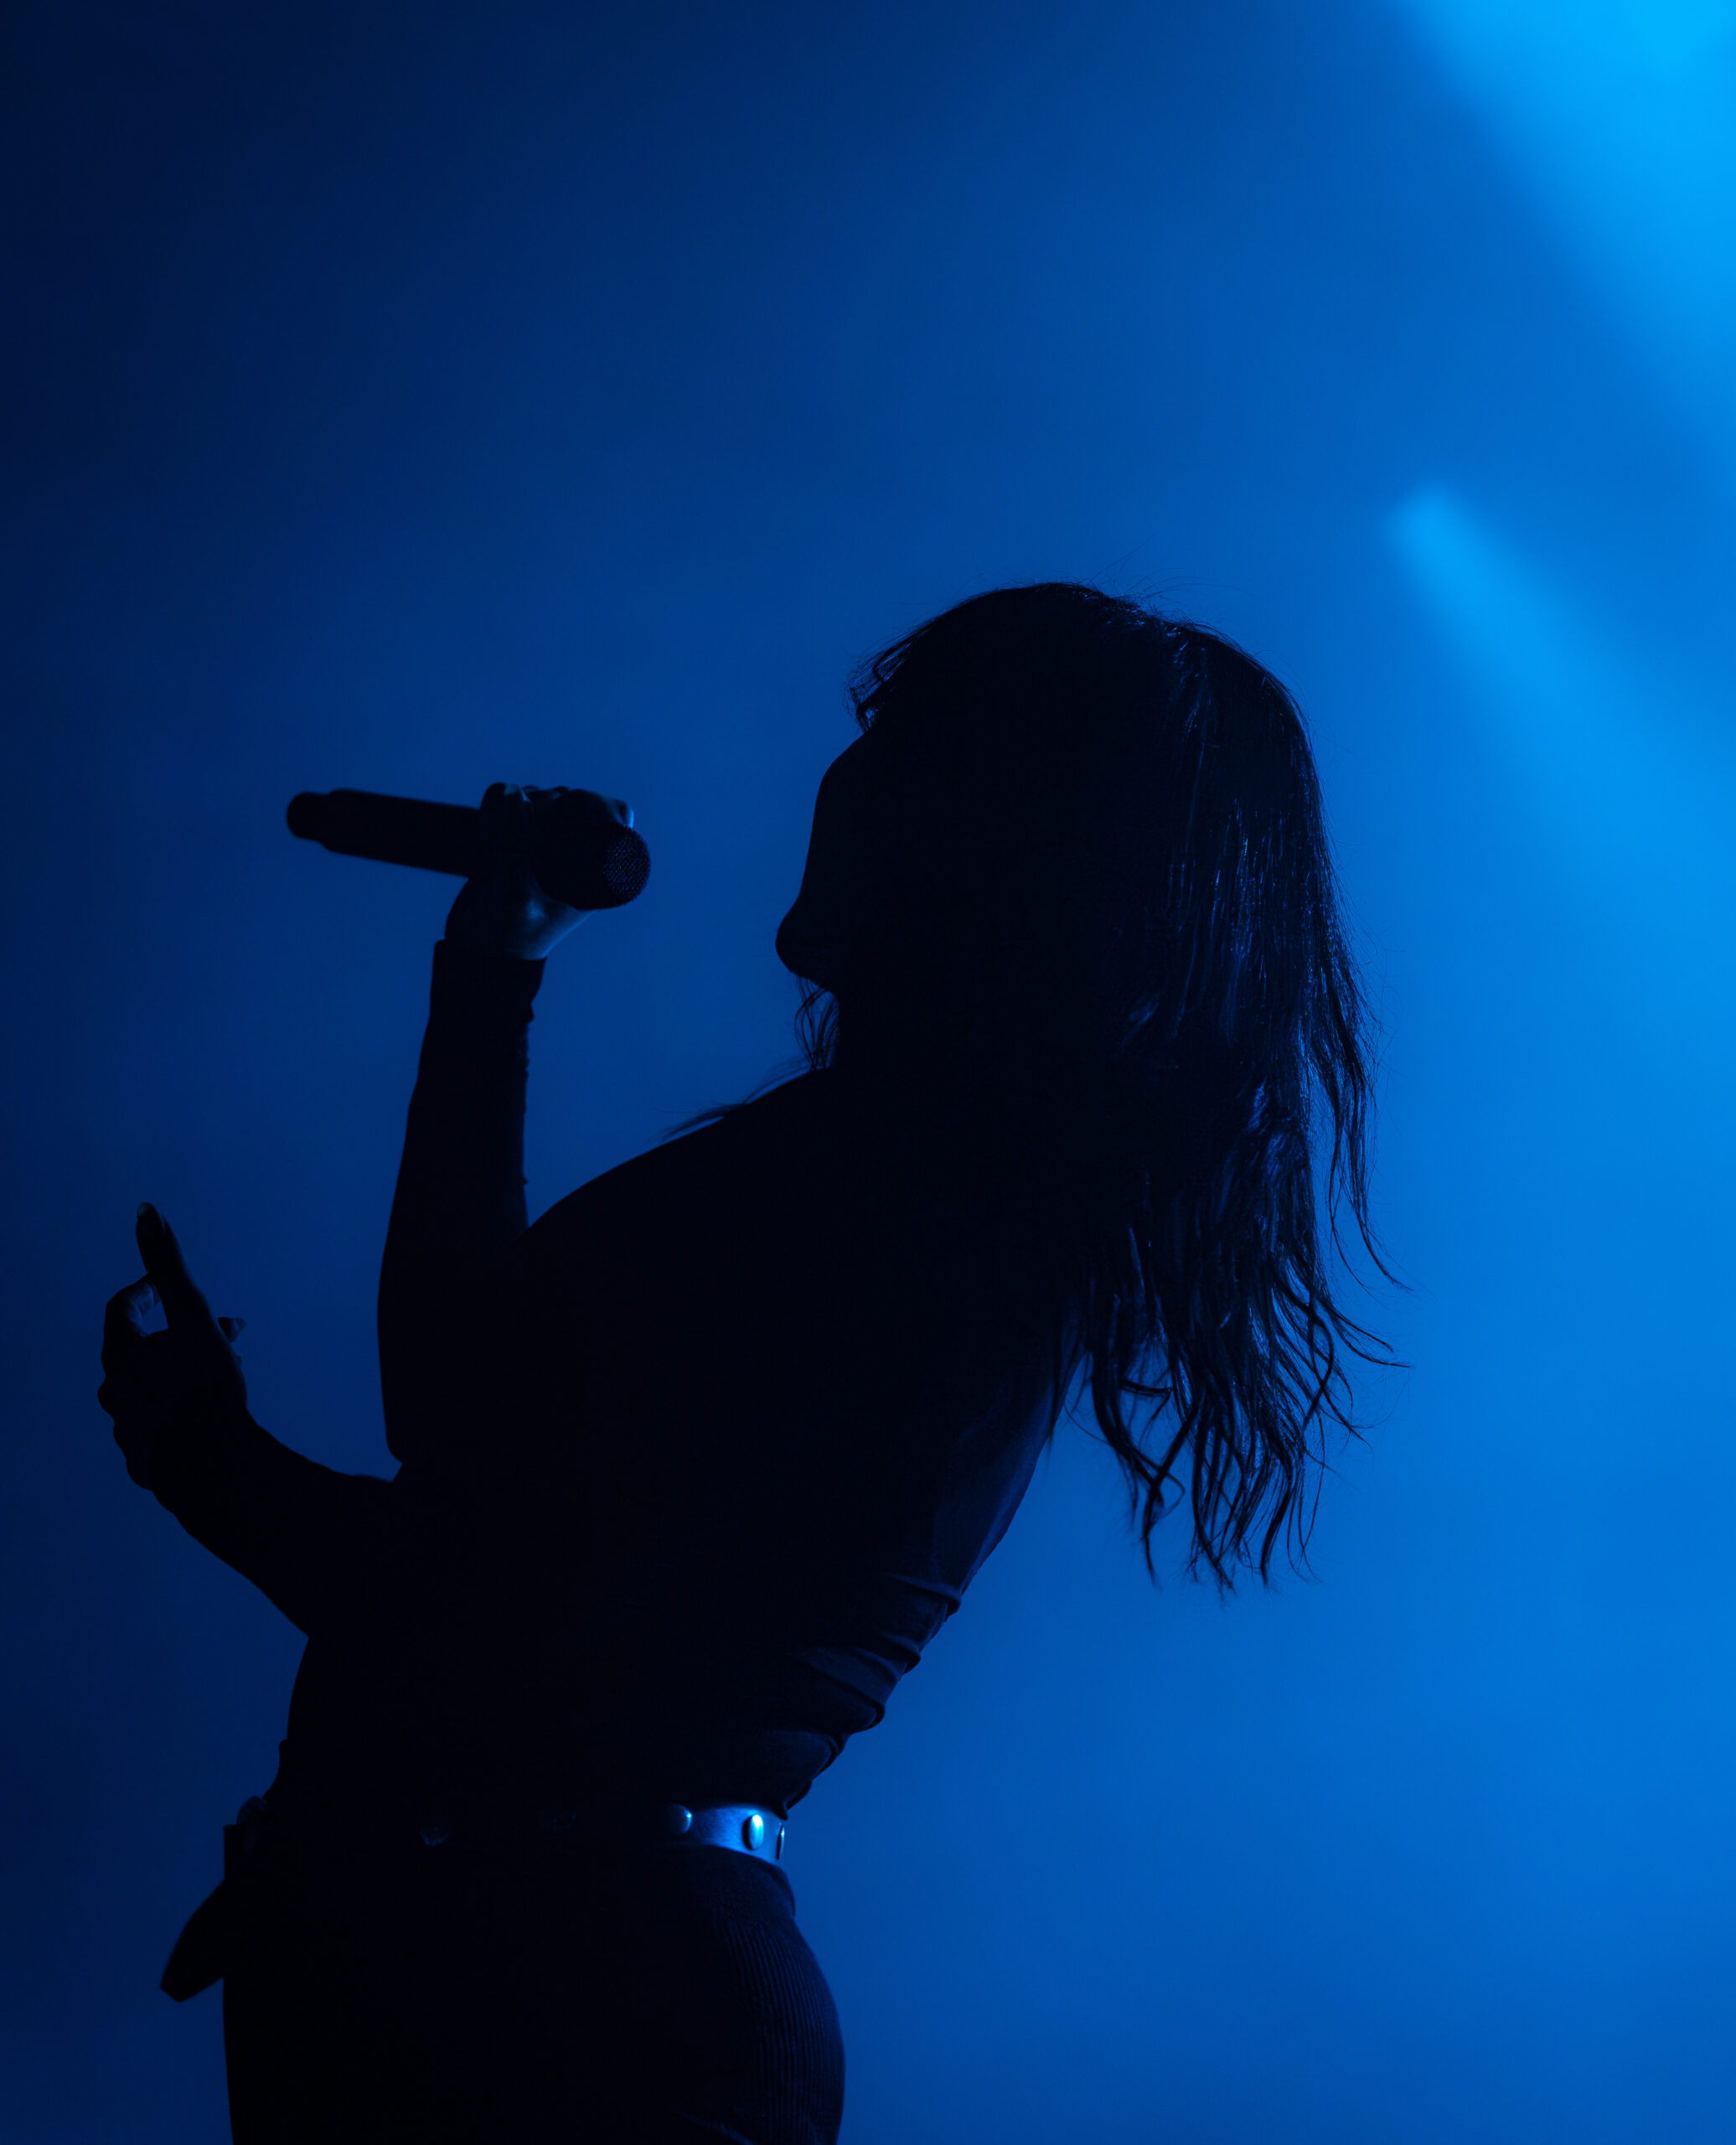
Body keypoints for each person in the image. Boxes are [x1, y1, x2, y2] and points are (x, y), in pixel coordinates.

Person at [99, 582, 1403, 2142]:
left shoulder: (911, 1219)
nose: (840, 774)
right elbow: (464, 1415)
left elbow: (487, 1585)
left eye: (895, 735)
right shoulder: (874, 1178)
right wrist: (493, 964)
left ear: (992, 829)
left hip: (578, 2019)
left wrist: (203, 1456)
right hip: (499, 1974)